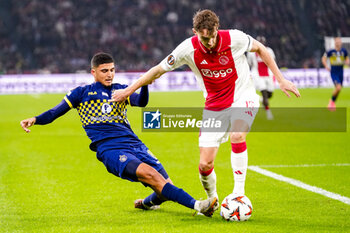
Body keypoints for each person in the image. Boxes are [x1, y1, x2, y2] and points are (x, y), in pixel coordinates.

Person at [110, 10, 300, 210]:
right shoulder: (187, 49)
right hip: (214, 107)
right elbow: (157, 70)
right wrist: (129, 91)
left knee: (237, 135)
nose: (209, 42)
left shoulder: (234, 38)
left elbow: (261, 49)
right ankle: (212, 200)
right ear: (195, 32)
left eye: (211, 37)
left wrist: (280, 79)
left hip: (242, 97)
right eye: (203, 38)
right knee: (205, 165)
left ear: (217, 29)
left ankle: (239, 195)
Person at [20, 52, 217, 217]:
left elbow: (141, 103)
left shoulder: (120, 90)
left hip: (135, 144)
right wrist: (35, 119)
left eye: (112, 70)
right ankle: (199, 206)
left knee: (165, 187)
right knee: (151, 175)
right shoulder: (81, 93)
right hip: (110, 148)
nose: (109, 74)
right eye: (104, 71)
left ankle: (146, 203)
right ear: (94, 72)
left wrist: (145, 83)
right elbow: (55, 113)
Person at [247, 36, 276, 120]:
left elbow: (273, 61)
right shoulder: (251, 53)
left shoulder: (269, 51)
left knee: (269, 94)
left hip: (268, 75)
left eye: (262, 42)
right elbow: (249, 63)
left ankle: (262, 99)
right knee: (264, 93)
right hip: (258, 76)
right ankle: (268, 114)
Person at [321, 37, 349, 111]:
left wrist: (347, 62)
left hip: (341, 72)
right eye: (336, 41)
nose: (338, 43)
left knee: (339, 89)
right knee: (338, 87)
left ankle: (332, 103)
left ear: (341, 43)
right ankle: (331, 102)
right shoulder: (330, 51)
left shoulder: (344, 51)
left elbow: (347, 59)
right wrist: (326, 66)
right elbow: (323, 58)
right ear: (334, 42)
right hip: (334, 73)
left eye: (339, 41)